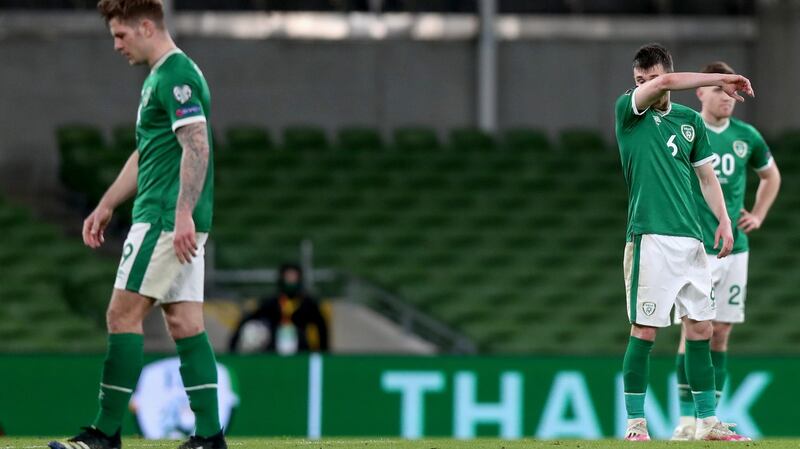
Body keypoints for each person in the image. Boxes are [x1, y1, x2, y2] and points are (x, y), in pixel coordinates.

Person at [49, 1, 225, 449]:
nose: (116, 45)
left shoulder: (176, 76)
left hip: (165, 218)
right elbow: (150, 151)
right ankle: (209, 437)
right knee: (186, 323)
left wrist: (182, 213)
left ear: (146, 26)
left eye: (121, 35)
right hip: (174, 216)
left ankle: (105, 433)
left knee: (121, 314)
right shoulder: (162, 77)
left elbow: (197, 145)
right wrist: (107, 203)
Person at [615, 43, 753, 441]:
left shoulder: (689, 121)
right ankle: (636, 425)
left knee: (701, 329)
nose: (646, 86)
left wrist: (725, 221)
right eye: (640, 81)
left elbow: (707, 179)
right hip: (650, 237)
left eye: (652, 79)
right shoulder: (628, 111)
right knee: (644, 331)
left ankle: (708, 422)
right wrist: (722, 79)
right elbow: (672, 81)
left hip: (691, 240)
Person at [670, 61, 781, 440]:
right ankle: (687, 419)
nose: (726, 98)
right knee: (693, 328)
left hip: (736, 249)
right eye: (718, 89)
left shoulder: (746, 136)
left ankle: (710, 418)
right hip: (695, 245)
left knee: (721, 333)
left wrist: (759, 215)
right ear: (701, 92)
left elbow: (771, 175)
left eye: (730, 92)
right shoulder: (687, 131)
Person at [229, 264, 329, 354]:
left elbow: (321, 326)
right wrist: (232, 347)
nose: (290, 280)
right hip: (273, 350)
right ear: (282, 278)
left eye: (293, 277)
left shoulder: (308, 304)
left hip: (301, 350)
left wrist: (323, 352)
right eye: (288, 277)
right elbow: (248, 318)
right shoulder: (271, 302)